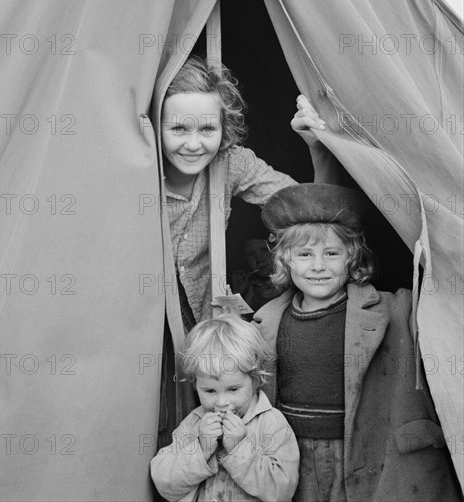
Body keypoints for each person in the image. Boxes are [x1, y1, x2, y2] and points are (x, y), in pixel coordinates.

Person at [254, 182, 461, 502]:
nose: (318, 266)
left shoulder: (396, 310)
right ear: (285, 260)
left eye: (331, 253)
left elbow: (448, 284)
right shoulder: (265, 322)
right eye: (305, 254)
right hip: (292, 458)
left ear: (351, 256)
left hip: (367, 458)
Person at [161, 56, 334, 326]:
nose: (193, 145)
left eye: (207, 128)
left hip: (203, 331)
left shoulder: (231, 162)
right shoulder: (136, 172)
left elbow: (311, 210)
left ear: (224, 128)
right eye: (179, 129)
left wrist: (316, 146)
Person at [151, 314, 300, 502]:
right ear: (195, 384)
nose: (221, 402)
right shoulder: (194, 423)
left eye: (233, 389)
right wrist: (201, 449)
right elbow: (164, 483)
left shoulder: (272, 423)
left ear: (255, 380)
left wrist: (240, 449)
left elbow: (282, 491)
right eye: (210, 391)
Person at [231, 238, 283, 313]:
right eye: (251, 254)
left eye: (264, 250)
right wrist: (237, 292)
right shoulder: (249, 289)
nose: (259, 259)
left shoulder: (293, 286)